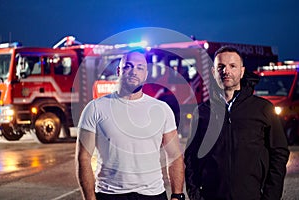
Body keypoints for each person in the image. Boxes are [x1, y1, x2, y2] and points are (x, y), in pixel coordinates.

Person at [75, 50, 185, 200]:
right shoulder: (95, 108)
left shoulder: (162, 109)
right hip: (110, 194)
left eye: (140, 68)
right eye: (128, 66)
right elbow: (83, 158)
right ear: (119, 70)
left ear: (145, 74)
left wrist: (177, 195)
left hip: (152, 194)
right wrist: (90, 198)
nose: (134, 71)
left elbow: (174, 156)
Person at [184, 46, 289, 200]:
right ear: (213, 72)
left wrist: (270, 196)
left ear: (242, 71)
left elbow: (279, 153)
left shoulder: (263, 109)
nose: (226, 71)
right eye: (221, 66)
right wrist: (195, 196)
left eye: (232, 66)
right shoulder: (201, 112)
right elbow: (191, 159)